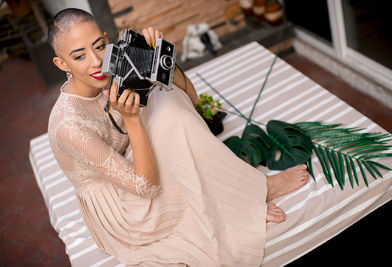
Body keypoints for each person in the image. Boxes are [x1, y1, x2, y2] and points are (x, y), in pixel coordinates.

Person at [47, 8, 309, 266]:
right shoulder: (69, 126)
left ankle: (254, 190)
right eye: (79, 56)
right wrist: (132, 120)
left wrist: (158, 57)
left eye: (99, 46)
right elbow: (145, 187)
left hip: (131, 158)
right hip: (124, 207)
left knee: (167, 101)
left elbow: (191, 100)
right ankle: (249, 195)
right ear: (61, 63)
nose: (95, 62)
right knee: (166, 123)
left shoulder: (115, 64)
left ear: (106, 39)